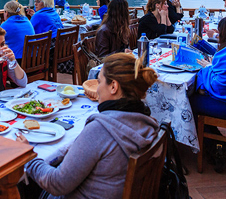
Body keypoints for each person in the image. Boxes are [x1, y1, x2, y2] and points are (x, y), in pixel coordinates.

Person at [18, 52, 159, 199]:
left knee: (24, 183)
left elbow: (57, 184)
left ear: (113, 87)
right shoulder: (147, 122)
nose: (97, 88)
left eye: (99, 81)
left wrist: (29, 156)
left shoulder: (100, 129)